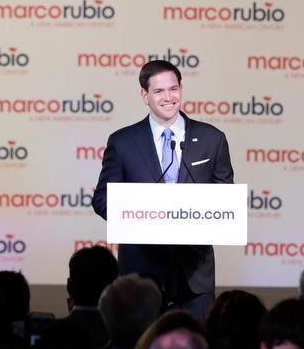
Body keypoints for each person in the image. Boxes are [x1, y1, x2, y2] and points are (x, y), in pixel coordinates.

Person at [93, 60, 234, 319]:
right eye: (159, 92)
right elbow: (102, 199)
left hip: (194, 275)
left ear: (181, 88)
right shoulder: (123, 142)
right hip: (141, 274)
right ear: (144, 95)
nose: (168, 97)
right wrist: (139, 215)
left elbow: (225, 197)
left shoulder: (211, 139)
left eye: (173, 89)